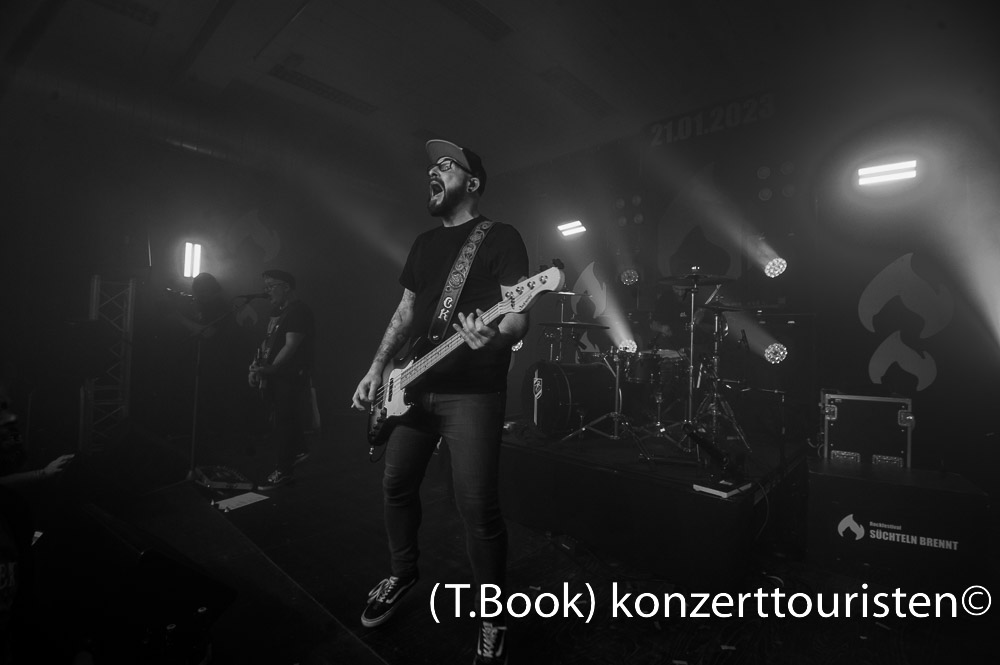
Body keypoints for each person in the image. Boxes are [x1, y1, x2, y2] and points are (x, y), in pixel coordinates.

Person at [351, 139, 528, 665]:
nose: (434, 170)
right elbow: (405, 312)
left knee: (477, 510)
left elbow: (518, 313)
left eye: (446, 165)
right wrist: (377, 368)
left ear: (472, 183)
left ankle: (493, 616)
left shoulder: (500, 236)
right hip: (411, 386)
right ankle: (402, 574)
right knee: (396, 485)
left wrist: (494, 335)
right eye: (432, 165)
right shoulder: (424, 243)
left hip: (472, 393)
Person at [249, 270, 316, 490]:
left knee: (284, 422)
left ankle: (284, 471)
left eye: (271, 286)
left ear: (286, 287)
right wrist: (255, 365)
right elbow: (267, 341)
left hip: (290, 375)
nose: (267, 291)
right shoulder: (278, 311)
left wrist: (272, 368)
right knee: (285, 418)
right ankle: (299, 450)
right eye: (266, 287)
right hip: (276, 375)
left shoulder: (299, 311)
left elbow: (291, 345)